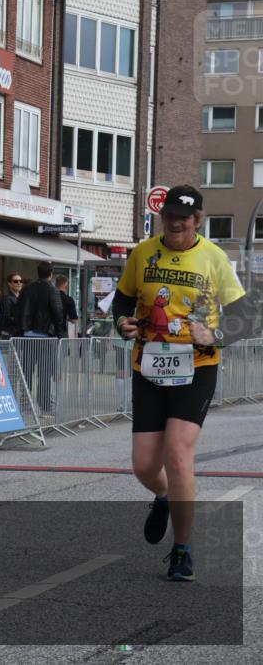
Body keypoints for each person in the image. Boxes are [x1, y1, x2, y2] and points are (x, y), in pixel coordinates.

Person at [113, 184, 254, 582]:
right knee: (144, 465)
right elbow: (122, 299)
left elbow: (245, 317)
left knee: (177, 454)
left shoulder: (214, 257)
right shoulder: (143, 253)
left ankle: (182, 550)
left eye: (184, 217)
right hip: (149, 367)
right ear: (163, 217)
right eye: (170, 215)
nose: (176, 223)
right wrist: (120, 322)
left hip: (197, 367)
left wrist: (216, 334)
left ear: (198, 220)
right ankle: (163, 496)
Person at [13, 261, 65, 413]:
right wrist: (61, 334)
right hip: (45, 336)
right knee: (45, 372)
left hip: (27, 335)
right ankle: (44, 404)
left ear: (38, 272)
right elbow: (57, 314)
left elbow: (18, 310)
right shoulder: (52, 290)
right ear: (51, 274)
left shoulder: (26, 289)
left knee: (27, 371)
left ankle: (25, 404)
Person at [0, 272, 23, 339]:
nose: (19, 283)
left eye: (21, 281)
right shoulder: (6, 299)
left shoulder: (22, 298)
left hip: (18, 334)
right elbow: (6, 317)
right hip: (9, 334)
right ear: (9, 284)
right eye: (16, 281)